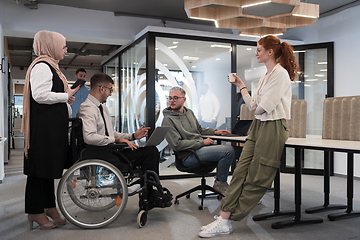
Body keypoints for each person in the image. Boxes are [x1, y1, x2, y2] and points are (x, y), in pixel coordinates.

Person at [198, 35, 298, 238]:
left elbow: (261, 108)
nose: (256, 52)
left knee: (257, 176)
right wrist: (242, 86)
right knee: (241, 171)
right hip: (259, 126)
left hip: (273, 127)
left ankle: (229, 217)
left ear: (270, 51)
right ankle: (224, 218)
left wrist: (256, 107)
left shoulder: (280, 75)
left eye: (259, 49)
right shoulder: (264, 77)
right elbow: (253, 107)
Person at [77, 72, 172, 208]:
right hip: (103, 154)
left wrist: (132, 136)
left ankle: (150, 194)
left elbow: (111, 133)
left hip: (111, 150)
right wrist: (116, 140)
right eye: (110, 89)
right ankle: (150, 196)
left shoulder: (102, 108)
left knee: (151, 150)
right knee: (150, 153)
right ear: (101, 88)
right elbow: (90, 137)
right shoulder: (87, 108)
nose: (110, 93)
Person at [21, 30, 80, 230]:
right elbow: (40, 95)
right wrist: (65, 96)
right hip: (43, 129)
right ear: (51, 46)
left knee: (47, 169)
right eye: (63, 46)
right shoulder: (42, 66)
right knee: (39, 171)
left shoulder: (52, 66)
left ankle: (48, 207)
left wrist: (66, 97)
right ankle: (34, 211)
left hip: (50, 129)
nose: (65, 50)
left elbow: (50, 95)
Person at [162, 86, 235, 196]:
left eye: (175, 98)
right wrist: (202, 143)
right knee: (228, 151)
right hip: (188, 155)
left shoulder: (189, 113)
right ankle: (220, 184)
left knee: (228, 151)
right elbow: (176, 145)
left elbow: (199, 130)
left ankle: (222, 183)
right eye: (170, 98)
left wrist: (215, 132)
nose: (172, 101)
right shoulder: (167, 120)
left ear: (184, 99)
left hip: (200, 150)